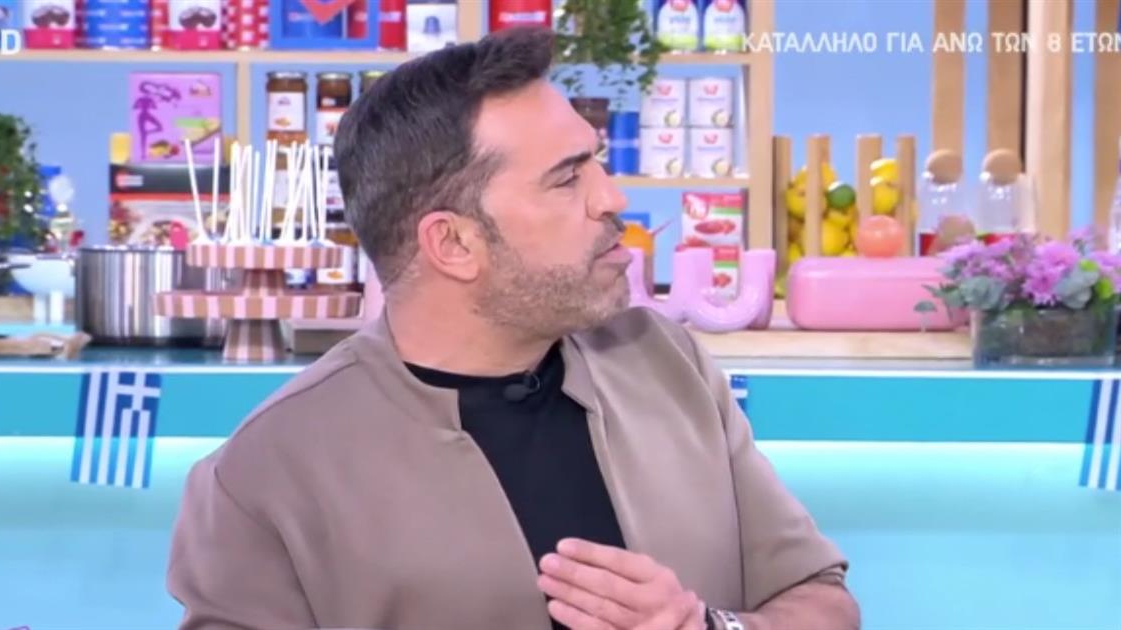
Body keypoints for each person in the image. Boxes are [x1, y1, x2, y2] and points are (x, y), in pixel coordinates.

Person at [166, 26, 860, 630]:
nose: (613, 198)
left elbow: (820, 599)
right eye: (567, 179)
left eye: (597, 163)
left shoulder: (668, 363)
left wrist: (713, 627)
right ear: (454, 244)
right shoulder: (263, 476)